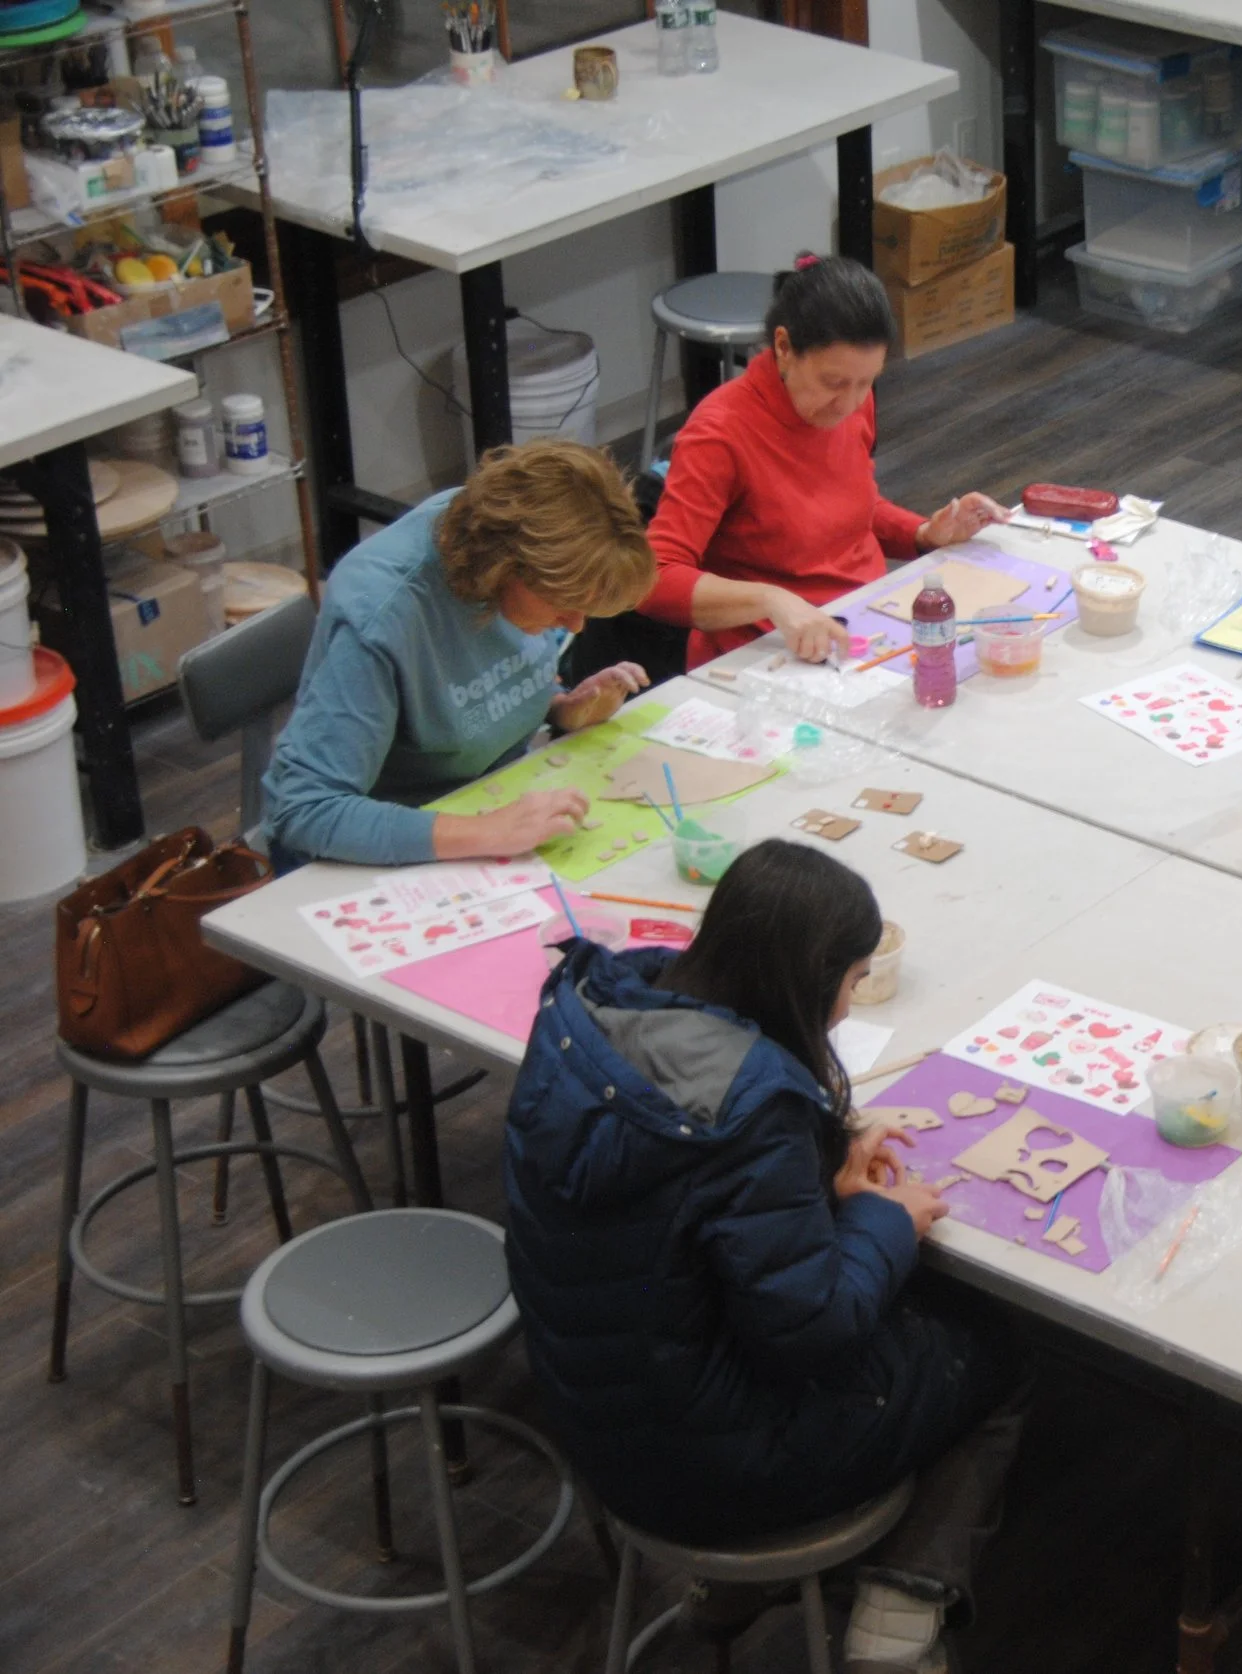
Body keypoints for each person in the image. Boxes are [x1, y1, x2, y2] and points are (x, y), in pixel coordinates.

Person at [504, 841, 1024, 1674]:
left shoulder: (590, 1013)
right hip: (709, 1467)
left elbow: (680, 1203)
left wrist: (818, 1163)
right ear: (806, 978)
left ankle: (737, 1591)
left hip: (592, 1416)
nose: (851, 1008)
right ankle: (901, 1609)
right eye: (852, 982)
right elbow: (813, 1330)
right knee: (989, 1344)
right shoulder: (749, 1112)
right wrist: (886, 1222)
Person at [261, 439, 657, 870]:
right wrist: (492, 831)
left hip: (479, 798)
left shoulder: (514, 557)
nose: (576, 624)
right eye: (563, 603)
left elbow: (465, 686)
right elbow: (306, 811)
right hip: (367, 843)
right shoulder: (383, 614)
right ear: (505, 570)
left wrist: (558, 709)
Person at [638, 256, 1009, 668]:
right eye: (833, 383)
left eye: (867, 382)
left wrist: (925, 533)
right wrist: (770, 599)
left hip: (865, 627)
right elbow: (653, 580)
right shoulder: (720, 434)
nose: (850, 403)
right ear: (783, 348)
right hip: (767, 654)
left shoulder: (850, 405)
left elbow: (851, 507)